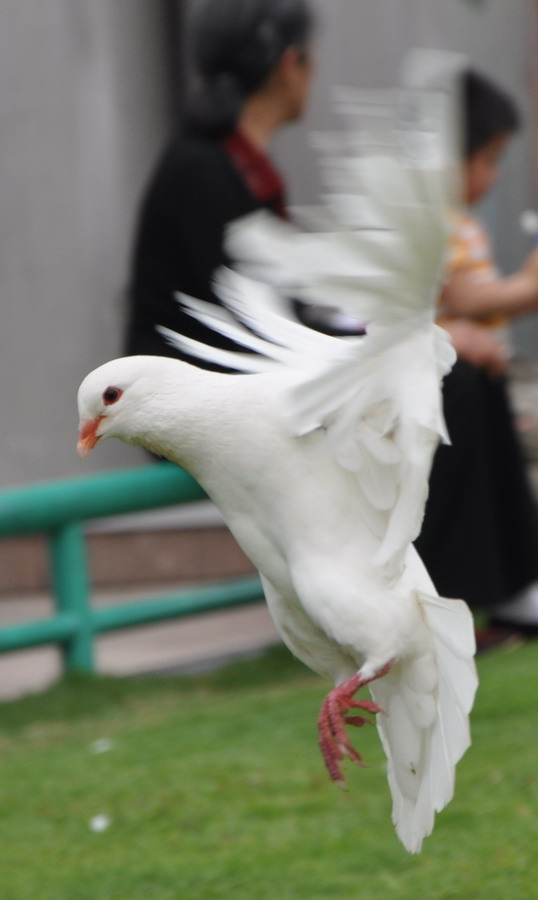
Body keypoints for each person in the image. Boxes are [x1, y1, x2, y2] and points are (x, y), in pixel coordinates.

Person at [415, 69, 538, 634]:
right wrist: (528, 288)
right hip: (432, 392)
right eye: (487, 160)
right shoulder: (431, 222)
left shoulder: (458, 223)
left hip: (471, 381)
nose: (492, 176)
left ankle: (515, 583)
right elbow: (462, 296)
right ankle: (480, 593)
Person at [124, 0, 315, 366]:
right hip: (191, 404)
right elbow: (266, 320)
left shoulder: (220, 160)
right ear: (290, 65)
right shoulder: (202, 170)